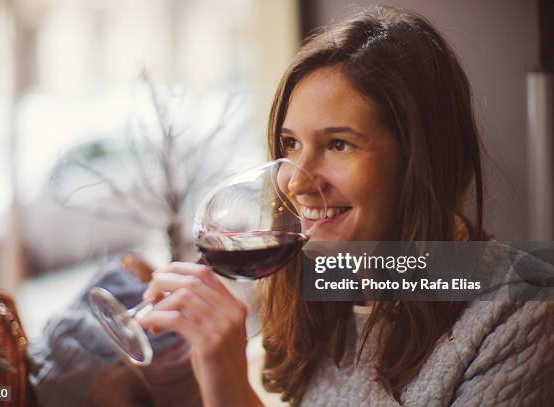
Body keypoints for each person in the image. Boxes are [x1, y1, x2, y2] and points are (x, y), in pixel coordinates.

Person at [138, 5, 554, 406]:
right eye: (291, 144)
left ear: (420, 160)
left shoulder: (521, 307)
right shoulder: (322, 282)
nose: (296, 181)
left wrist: (228, 386)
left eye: (339, 144)